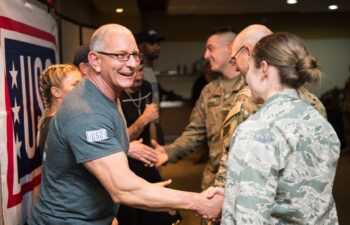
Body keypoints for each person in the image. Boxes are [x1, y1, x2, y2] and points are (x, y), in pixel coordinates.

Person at [29, 24, 222, 225]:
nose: (131, 64)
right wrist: (198, 202)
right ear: (95, 61)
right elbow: (122, 188)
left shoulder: (109, 95)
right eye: (121, 55)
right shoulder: (86, 113)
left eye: (135, 55)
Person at [221, 32, 340, 224]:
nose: (246, 79)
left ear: (264, 69)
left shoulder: (256, 131)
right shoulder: (321, 124)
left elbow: (249, 217)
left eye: (250, 68)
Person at [213, 24, 327, 189]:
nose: (235, 66)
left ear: (249, 52)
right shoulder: (315, 105)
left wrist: (219, 198)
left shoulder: (246, 101)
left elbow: (232, 164)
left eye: (234, 59)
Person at [154, 27, 247, 191]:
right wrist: (168, 152)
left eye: (210, 48)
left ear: (230, 48)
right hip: (214, 184)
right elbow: (194, 133)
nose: (205, 56)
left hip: (247, 183)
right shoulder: (209, 91)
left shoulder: (255, 88)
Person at [117, 62, 181, 225]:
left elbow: (152, 123)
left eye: (141, 71)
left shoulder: (146, 87)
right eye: (134, 72)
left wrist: (155, 153)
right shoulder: (117, 94)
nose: (139, 76)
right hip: (125, 161)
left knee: (162, 213)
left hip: (146, 158)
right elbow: (122, 141)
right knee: (131, 215)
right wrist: (144, 119)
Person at [37, 64, 83, 160]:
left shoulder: (55, 121)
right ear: (56, 92)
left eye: (83, 83)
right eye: (76, 84)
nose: (83, 88)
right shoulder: (60, 124)